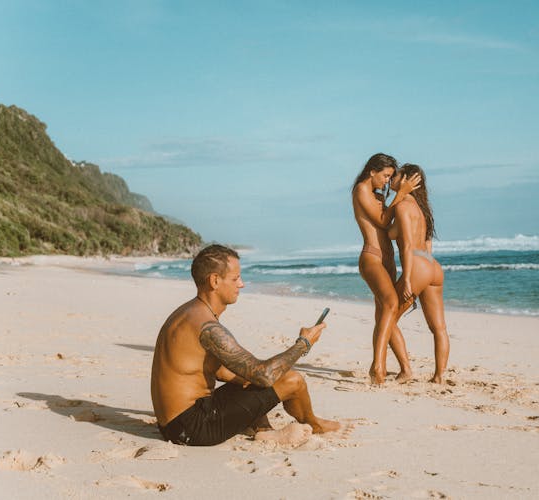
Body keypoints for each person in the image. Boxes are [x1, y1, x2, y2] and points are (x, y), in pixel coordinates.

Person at [151, 244, 339, 446]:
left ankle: (263, 429)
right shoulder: (209, 328)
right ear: (215, 281)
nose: (241, 284)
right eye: (235, 278)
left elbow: (221, 372)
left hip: (172, 424)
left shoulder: (188, 313)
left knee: (247, 378)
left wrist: (250, 381)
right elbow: (264, 375)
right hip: (192, 428)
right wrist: (303, 344)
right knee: (292, 380)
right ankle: (314, 424)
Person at [352, 153, 421, 384]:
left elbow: (391, 227)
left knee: (384, 315)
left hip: (388, 261)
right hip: (372, 258)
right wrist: (401, 194)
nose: (386, 181)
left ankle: (406, 370)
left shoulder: (377, 194)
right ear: (372, 171)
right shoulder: (361, 189)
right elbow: (382, 222)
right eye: (385, 175)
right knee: (392, 304)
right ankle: (377, 367)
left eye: (391, 176)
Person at [388, 164, 450, 383]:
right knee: (439, 327)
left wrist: (407, 279)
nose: (390, 179)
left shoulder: (403, 206)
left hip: (416, 266)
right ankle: (439, 376)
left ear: (405, 179)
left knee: (387, 319)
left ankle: (406, 370)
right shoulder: (423, 209)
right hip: (432, 265)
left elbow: (404, 246)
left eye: (394, 176)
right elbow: (427, 243)